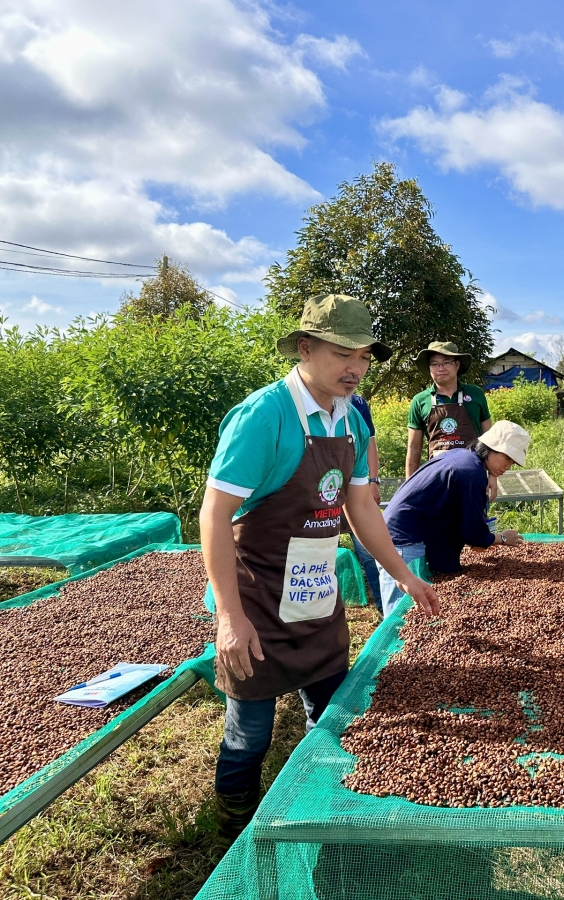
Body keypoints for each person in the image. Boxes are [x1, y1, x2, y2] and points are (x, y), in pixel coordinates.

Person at [199, 294, 441, 841]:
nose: (355, 367)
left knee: (331, 715)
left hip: (315, 593)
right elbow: (214, 515)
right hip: (256, 598)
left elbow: (360, 508)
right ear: (305, 348)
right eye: (341, 353)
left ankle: (318, 811)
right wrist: (229, 618)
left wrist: (404, 575)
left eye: (363, 355)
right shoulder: (265, 416)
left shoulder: (350, 418)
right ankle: (233, 824)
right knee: (250, 731)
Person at [379, 421, 530, 617]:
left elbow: (459, 516)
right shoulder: (471, 473)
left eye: (513, 462)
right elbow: (473, 531)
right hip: (402, 539)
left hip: (408, 531)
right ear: (491, 448)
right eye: (507, 458)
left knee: (416, 609)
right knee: (403, 615)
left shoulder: (463, 457)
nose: (508, 466)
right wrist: (500, 538)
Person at [406, 341, 493, 478]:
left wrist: (492, 477)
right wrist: (409, 486)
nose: (440, 368)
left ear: (457, 365)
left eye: (446, 362)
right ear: (429, 368)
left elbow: (490, 439)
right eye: (434, 364)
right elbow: (414, 448)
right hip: (437, 476)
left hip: (473, 475)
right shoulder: (420, 400)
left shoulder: (475, 394)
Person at [346, 393, 384, 612]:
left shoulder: (357, 404)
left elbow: (370, 444)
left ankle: (382, 608)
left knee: (369, 552)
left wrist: (373, 480)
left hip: (357, 487)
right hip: (321, 491)